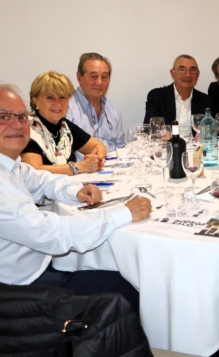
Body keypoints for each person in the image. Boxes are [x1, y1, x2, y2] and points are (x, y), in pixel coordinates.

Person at [0, 83, 152, 311]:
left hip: (39, 262)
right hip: (21, 289)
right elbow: (55, 234)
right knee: (131, 286)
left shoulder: (10, 165)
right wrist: (124, 213)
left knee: (118, 267)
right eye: (4, 116)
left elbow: (40, 179)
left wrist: (75, 191)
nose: (17, 124)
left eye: (22, 116)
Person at [21, 71, 106, 176]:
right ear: (35, 100)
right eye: (50, 97)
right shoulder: (27, 129)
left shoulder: (64, 126)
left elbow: (98, 146)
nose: (58, 103)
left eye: (62, 97)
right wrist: (79, 167)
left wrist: (96, 158)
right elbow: (34, 171)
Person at [66, 52, 125, 155]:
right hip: (81, 164)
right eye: (93, 76)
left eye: (104, 77)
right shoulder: (66, 108)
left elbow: (121, 147)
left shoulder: (113, 109)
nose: (99, 82)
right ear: (79, 77)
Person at [144, 54, 212, 137]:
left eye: (192, 70)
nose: (188, 75)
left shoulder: (205, 100)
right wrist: (162, 135)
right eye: (182, 69)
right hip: (167, 144)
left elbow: (210, 130)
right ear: (172, 74)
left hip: (195, 144)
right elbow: (149, 129)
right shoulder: (157, 96)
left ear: (198, 75)